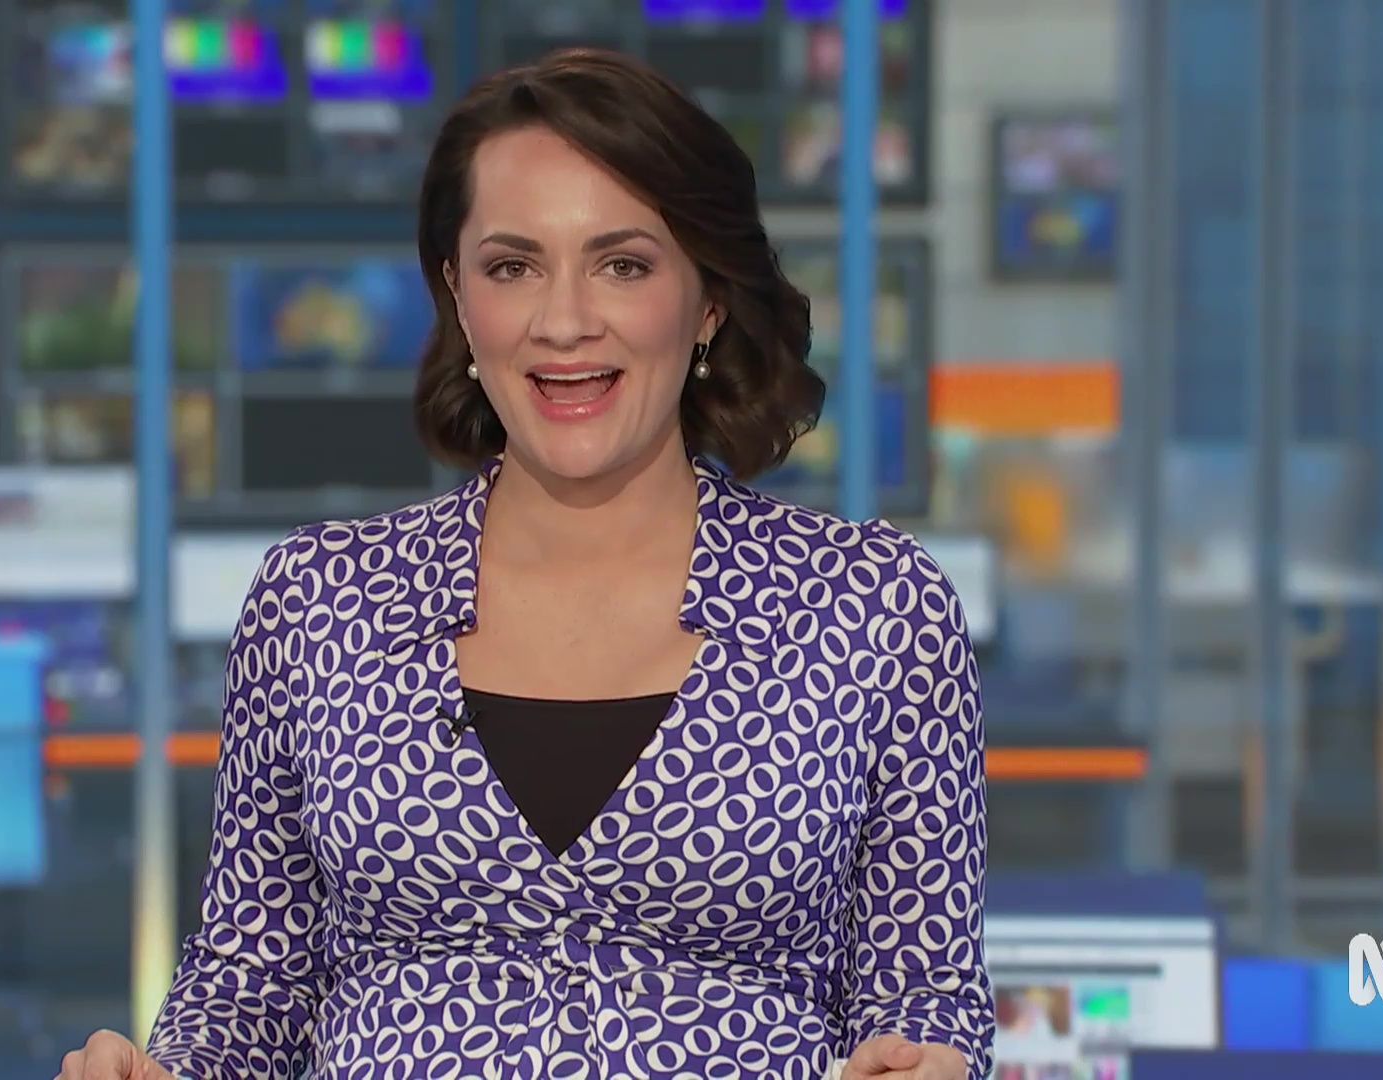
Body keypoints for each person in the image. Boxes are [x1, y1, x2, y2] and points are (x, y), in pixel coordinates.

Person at [57, 47, 993, 1080]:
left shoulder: (873, 608)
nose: (564, 322)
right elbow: (251, 991)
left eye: (623, 265)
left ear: (708, 300)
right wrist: (167, 1072)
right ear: (458, 298)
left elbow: (928, 996)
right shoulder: (318, 601)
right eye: (514, 267)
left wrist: (930, 1066)